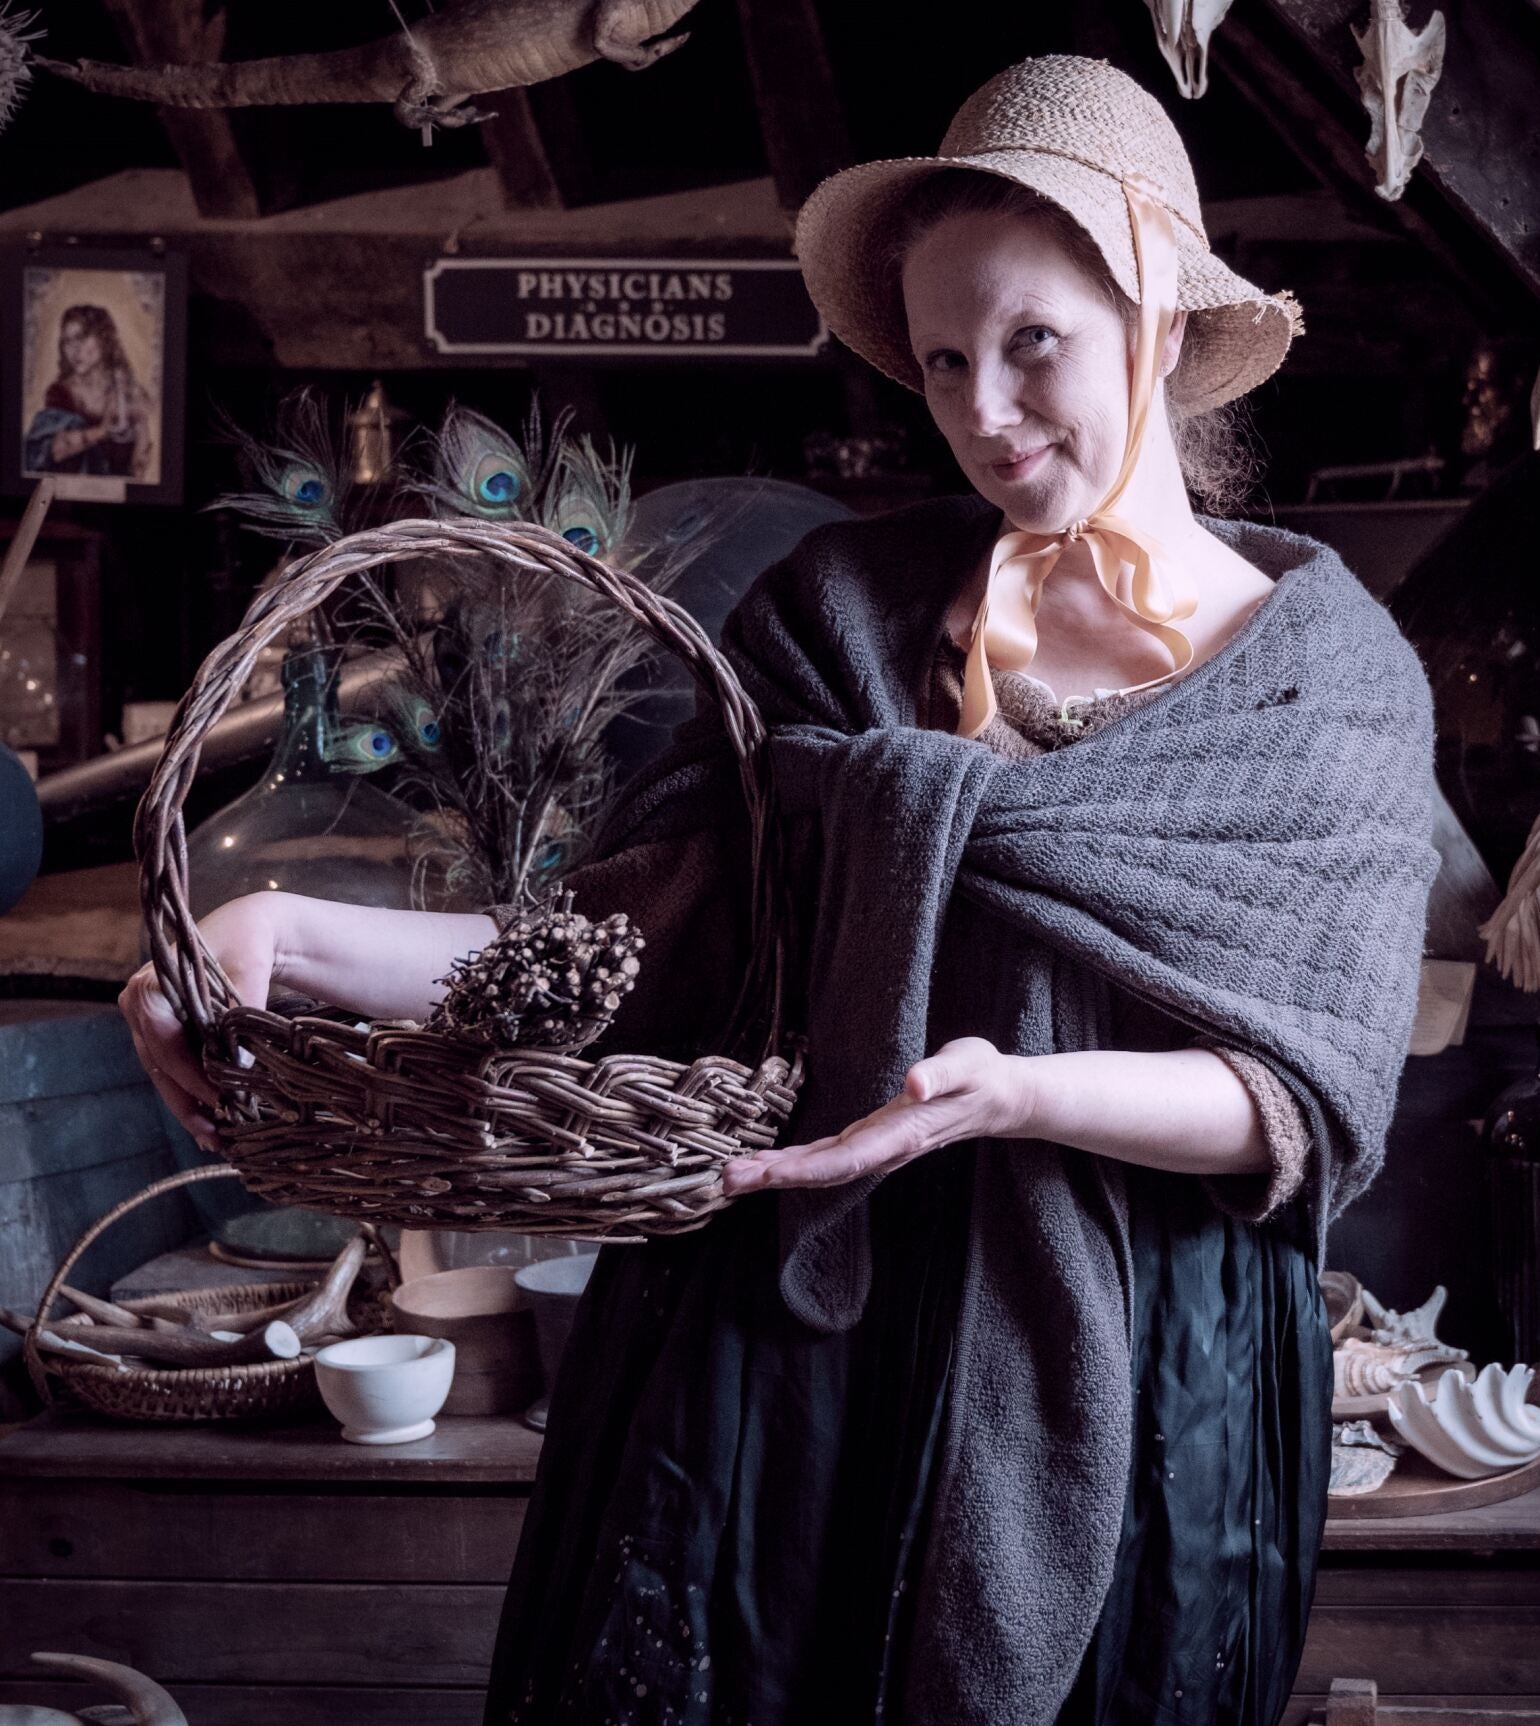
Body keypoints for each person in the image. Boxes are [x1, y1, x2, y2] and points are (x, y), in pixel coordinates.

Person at [122, 55, 1440, 1726]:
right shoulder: (833, 625)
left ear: (1161, 326)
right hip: (800, 1343)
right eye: (945, 359)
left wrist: (1009, 1095)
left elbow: (1294, 1106)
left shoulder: (1323, 691)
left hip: (1150, 1366)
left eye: (1032, 341)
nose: (983, 409)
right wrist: (279, 931)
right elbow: (630, 948)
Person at [24, 302, 154, 479]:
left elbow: (140, 467)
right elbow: (53, 452)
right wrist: (103, 431)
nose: (74, 350)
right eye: (67, 342)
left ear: (103, 338)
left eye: (81, 337)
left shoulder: (128, 391)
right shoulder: (61, 393)